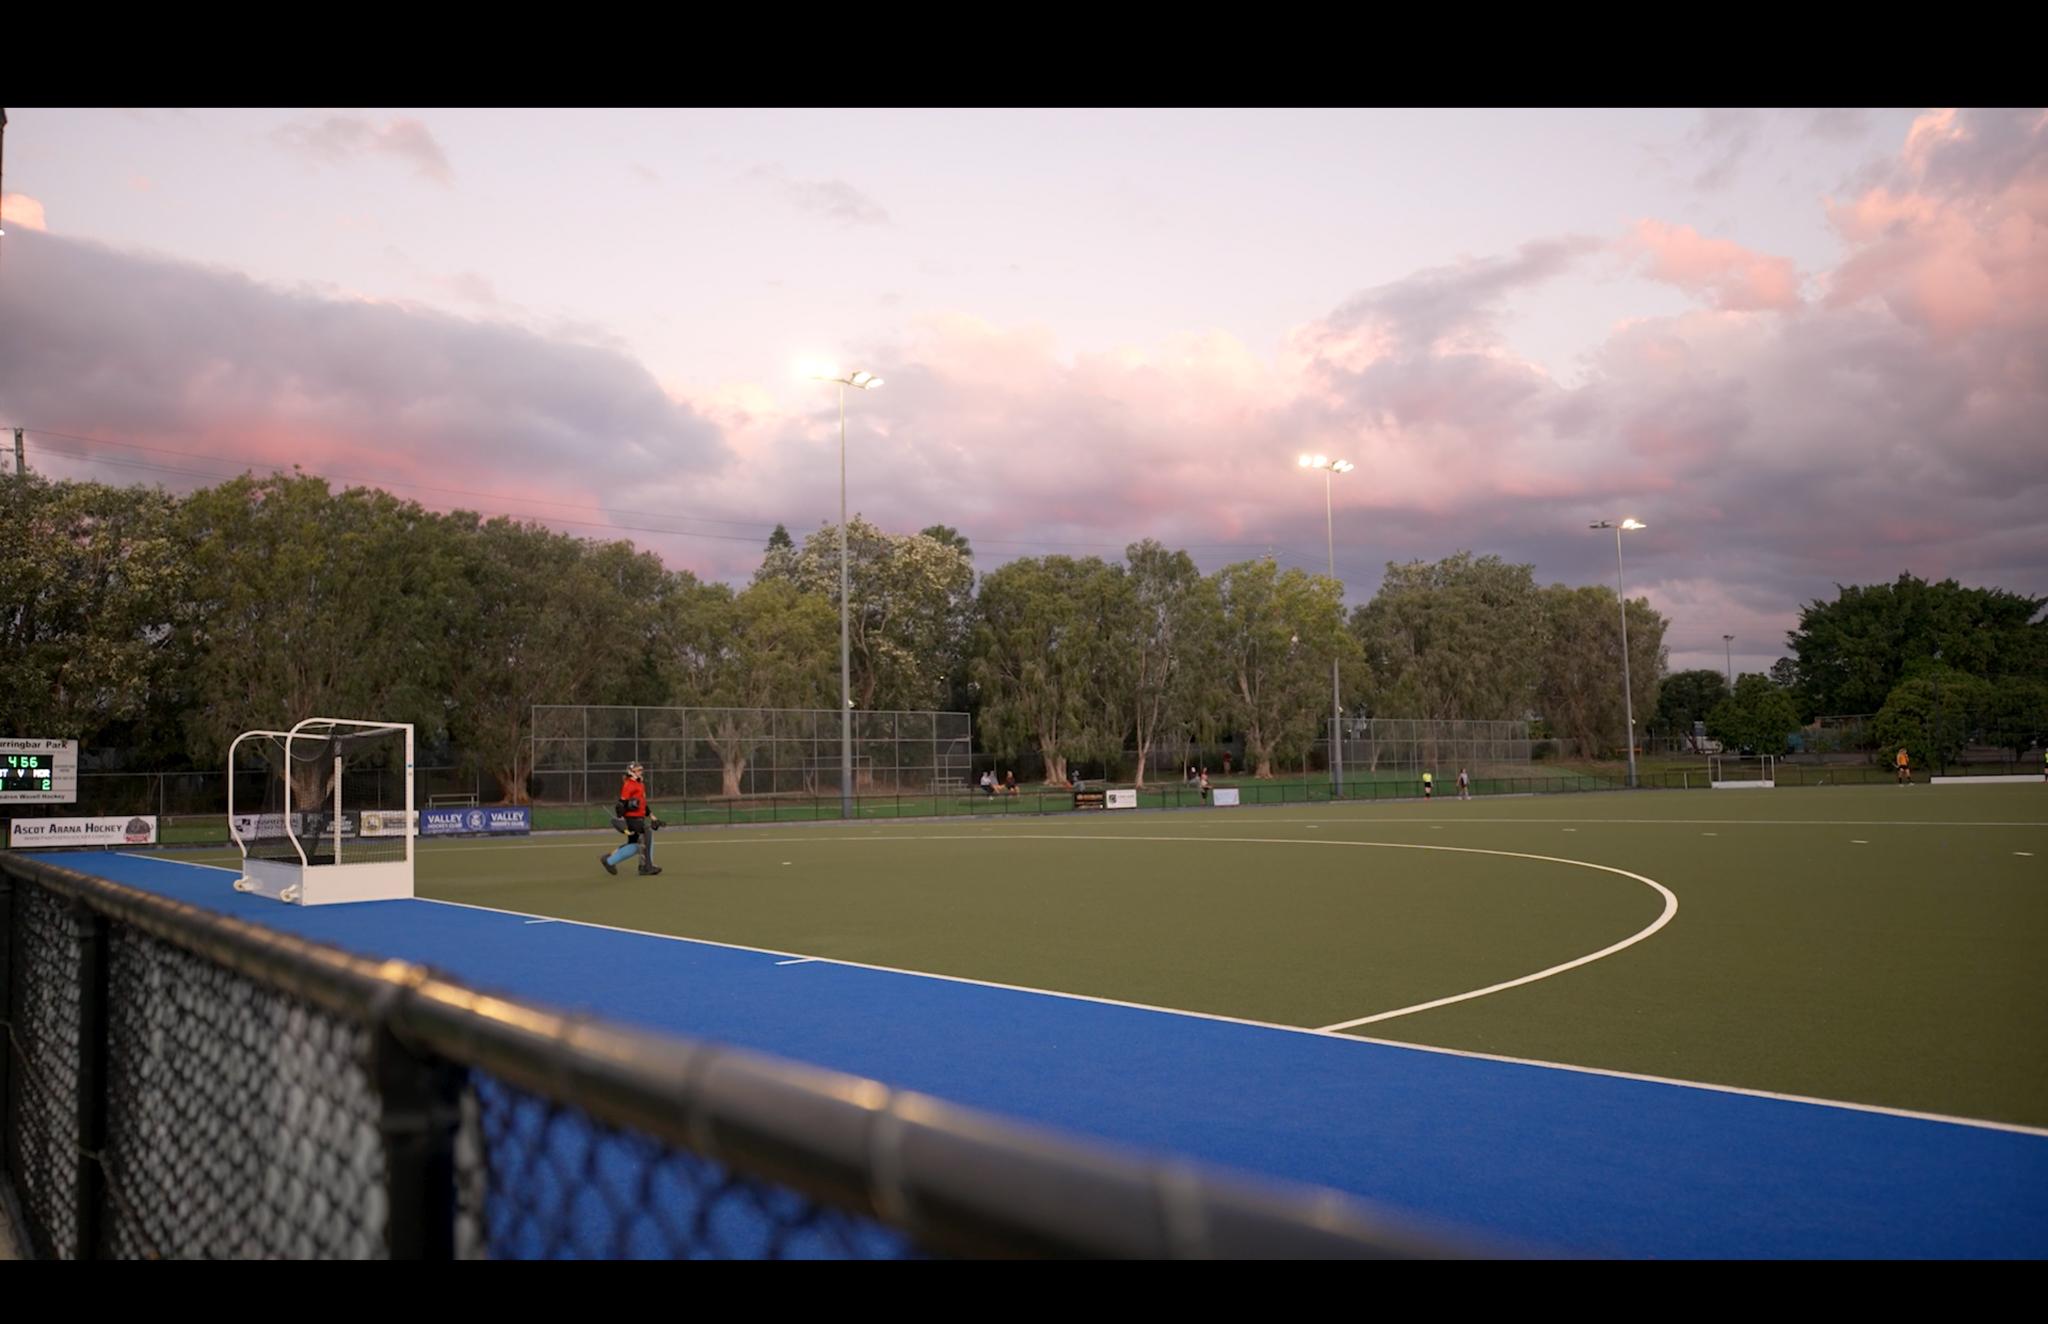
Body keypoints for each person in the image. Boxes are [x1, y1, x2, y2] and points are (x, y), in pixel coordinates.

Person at [601, 761, 663, 876]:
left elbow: (643, 804)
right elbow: (621, 805)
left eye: (641, 770)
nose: (640, 772)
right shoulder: (628, 785)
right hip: (632, 820)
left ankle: (609, 860)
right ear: (631, 772)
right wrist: (620, 820)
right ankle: (646, 866)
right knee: (647, 833)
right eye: (638, 770)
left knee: (636, 846)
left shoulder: (640, 784)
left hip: (639, 818)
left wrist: (653, 817)